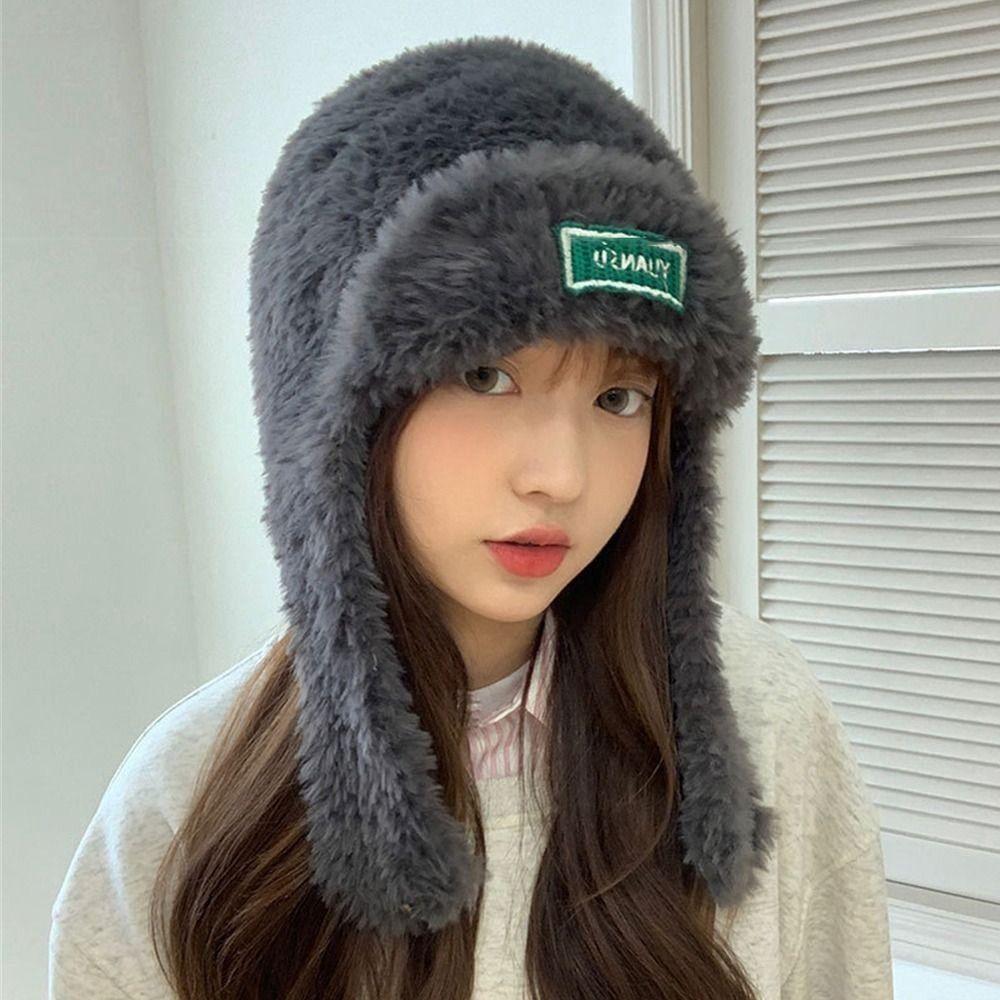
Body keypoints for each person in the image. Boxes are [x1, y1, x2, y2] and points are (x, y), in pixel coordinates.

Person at [49, 36, 893, 1000]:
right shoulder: (182, 805)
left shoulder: (758, 728)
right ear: (334, 414)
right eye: (486, 375)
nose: (562, 476)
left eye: (620, 397)